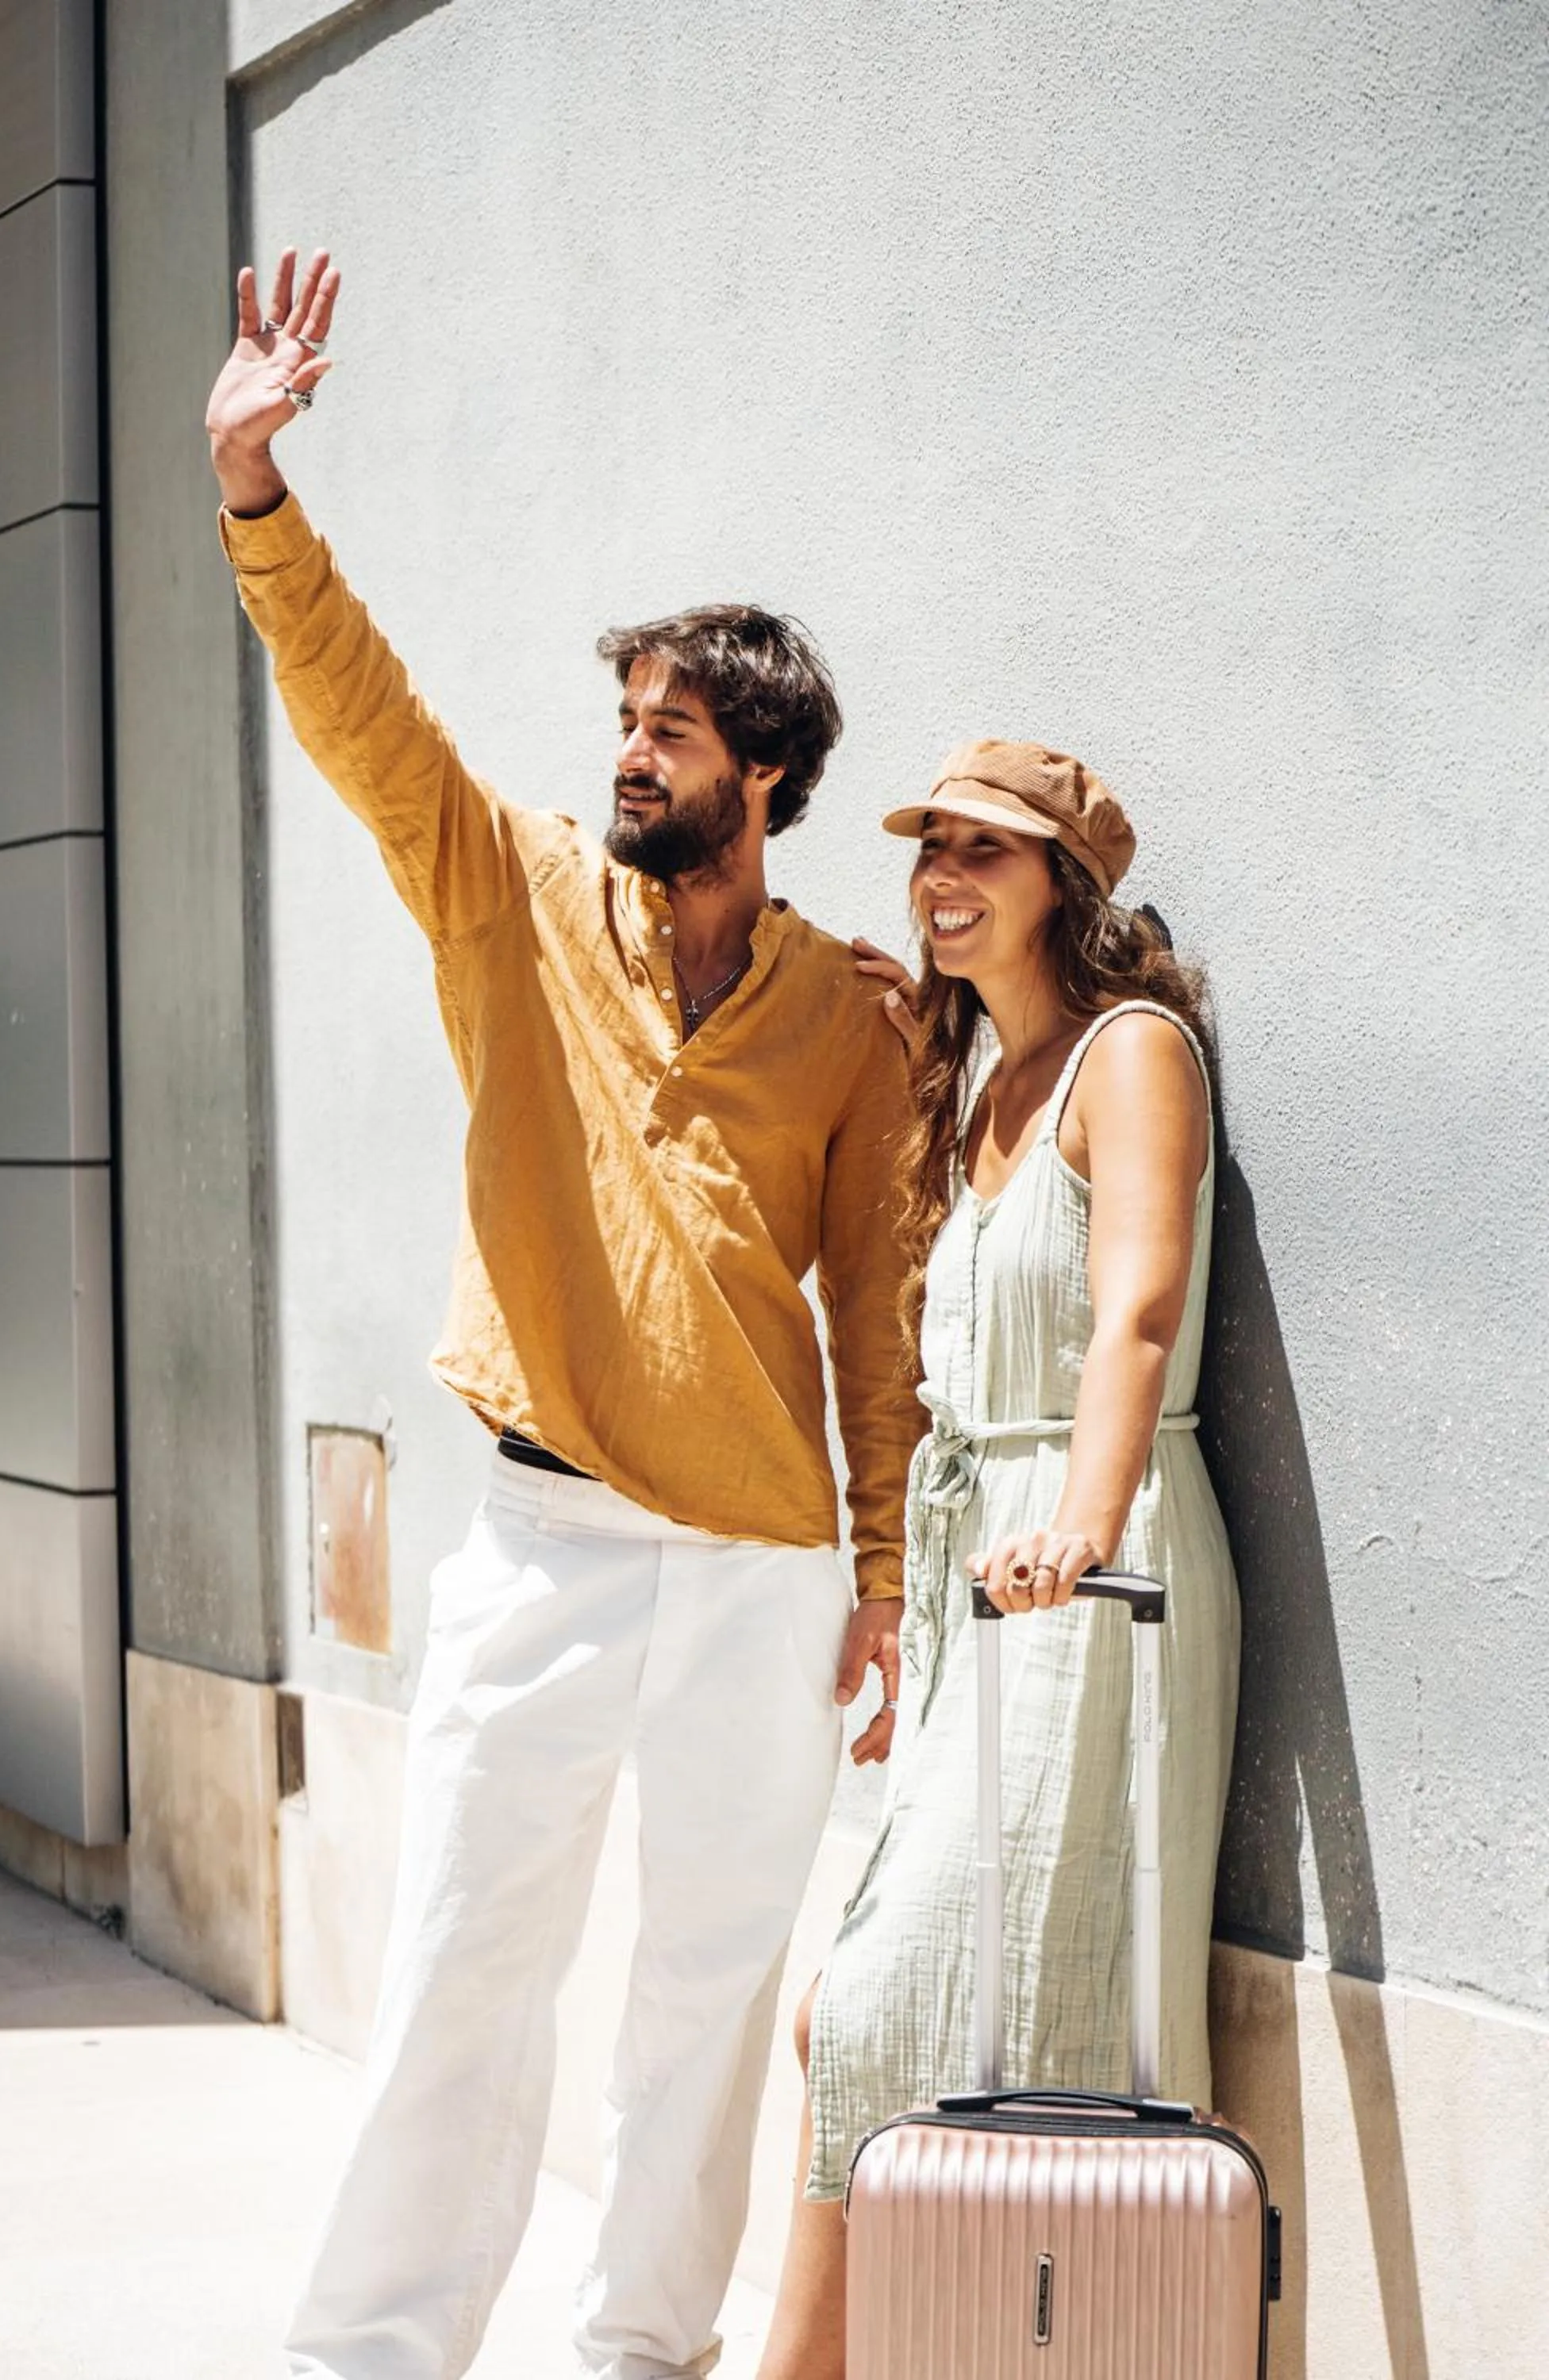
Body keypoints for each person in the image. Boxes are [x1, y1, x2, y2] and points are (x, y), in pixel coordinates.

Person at [205, 248, 921, 2380]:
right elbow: (367, 718)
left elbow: (877, 1311)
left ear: (760, 776)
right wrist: (255, 491)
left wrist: (885, 1573)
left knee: (705, 1993)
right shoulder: (510, 892)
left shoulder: (845, 1020)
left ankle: (640, 2352)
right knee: (463, 1962)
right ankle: (372, 2349)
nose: (626, 756)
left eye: (668, 733)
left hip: (763, 1568)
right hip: (542, 1540)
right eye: (622, 721)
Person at [757, 740, 1242, 2380]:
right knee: (910, 2019)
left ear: (1065, 886)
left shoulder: (1134, 1054)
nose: (943, 877)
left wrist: (1085, 1527)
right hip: (995, 1574)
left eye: (987, 851)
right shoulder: (984, 1087)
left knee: (885, 2014)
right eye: (932, 847)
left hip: (1094, 1573)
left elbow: (1137, 1313)